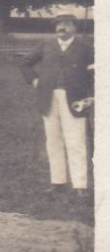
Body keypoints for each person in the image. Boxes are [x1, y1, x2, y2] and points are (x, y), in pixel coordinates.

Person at [20, 14, 94, 197]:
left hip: (75, 99)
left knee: (75, 140)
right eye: (59, 24)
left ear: (74, 28)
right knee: (53, 140)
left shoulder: (85, 49)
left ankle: (80, 186)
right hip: (48, 97)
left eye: (67, 24)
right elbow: (25, 63)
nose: (62, 27)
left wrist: (91, 97)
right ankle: (58, 182)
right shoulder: (46, 45)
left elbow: (96, 74)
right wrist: (35, 81)